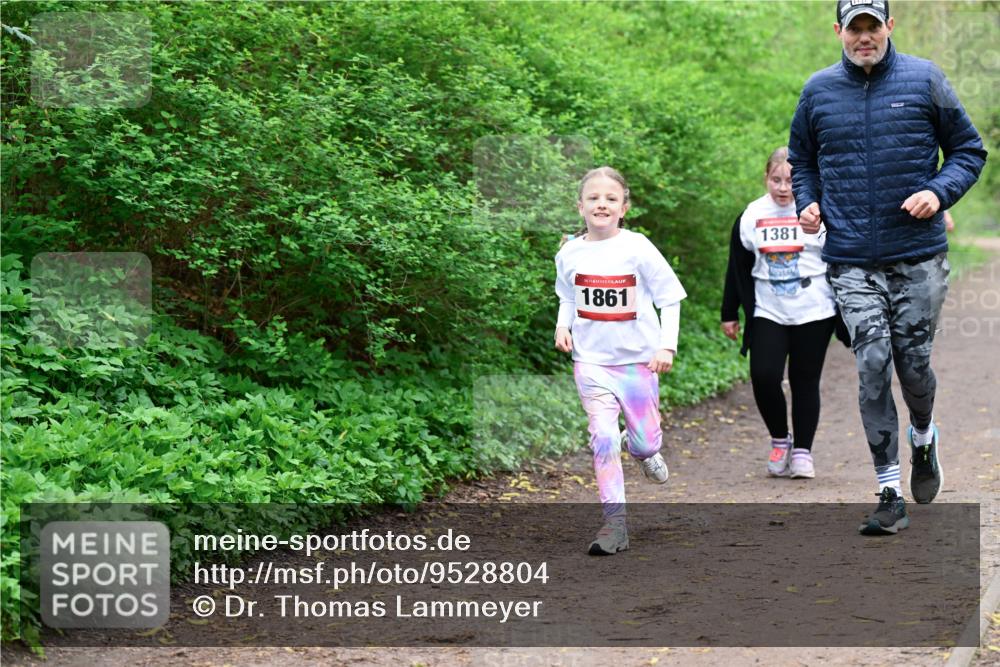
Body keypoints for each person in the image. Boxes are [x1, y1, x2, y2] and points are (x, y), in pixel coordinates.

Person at [788, 0, 987, 535]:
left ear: (888, 28)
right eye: (854, 29)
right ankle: (889, 491)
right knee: (872, 359)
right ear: (839, 32)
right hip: (850, 257)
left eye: (872, 27)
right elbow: (801, 160)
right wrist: (807, 200)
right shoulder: (818, 91)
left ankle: (923, 437)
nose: (863, 38)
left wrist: (938, 192)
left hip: (917, 254)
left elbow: (970, 150)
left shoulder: (925, 80)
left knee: (913, 366)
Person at [554, 166, 687, 555]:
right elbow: (566, 296)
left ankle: (643, 447)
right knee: (603, 438)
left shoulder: (638, 247)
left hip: (638, 364)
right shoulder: (570, 253)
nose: (602, 204)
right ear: (580, 206)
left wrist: (667, 346)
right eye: (594, 198)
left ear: (624, 207)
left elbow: (670, 298)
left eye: (611, 198)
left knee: (645, 444)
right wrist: (563, 326)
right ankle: (615, 525)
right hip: (591, 363)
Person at [721, 147, 849, 480]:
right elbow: (738, 267)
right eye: (775, 179)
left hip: (814, 309)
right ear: (765, 178)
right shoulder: (751, 215)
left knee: (806, 381)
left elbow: (842, 258)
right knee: (764, 375)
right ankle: (781, 440)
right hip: (768, 309)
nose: (782, 187)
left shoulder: (817, 211)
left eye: (790, 180)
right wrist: (729, 312)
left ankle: (803, 452)